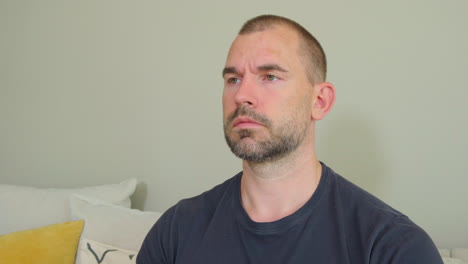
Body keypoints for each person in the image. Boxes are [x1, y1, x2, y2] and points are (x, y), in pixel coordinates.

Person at [137, 14, 443, 264]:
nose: (242, 95)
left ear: (320, 101)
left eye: (269, 76)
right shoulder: (176, 231)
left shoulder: (394, 247)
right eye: (233, 79)